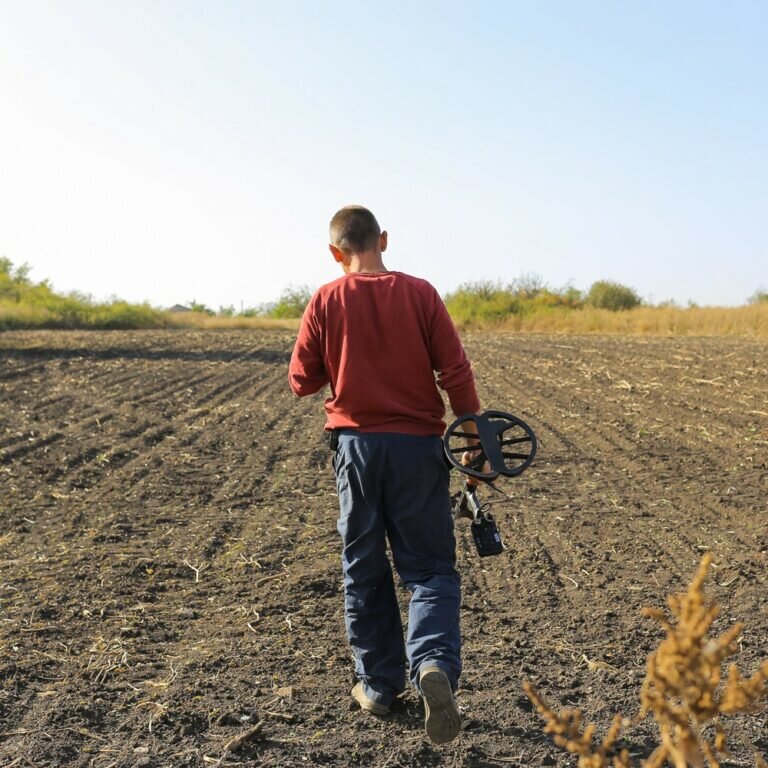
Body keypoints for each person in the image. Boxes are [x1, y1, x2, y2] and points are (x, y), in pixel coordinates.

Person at [288, 205, 481, 744]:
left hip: (357, 451)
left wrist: (342, 355)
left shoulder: (326, 298)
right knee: (431, 569)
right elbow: (455, 372)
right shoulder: (421, 293)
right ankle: (433, 663)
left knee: (364, 566)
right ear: (384, 240)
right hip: (419, 449)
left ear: (335, 252)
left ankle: (377, 685)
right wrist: (474, 441)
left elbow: (301, 381)